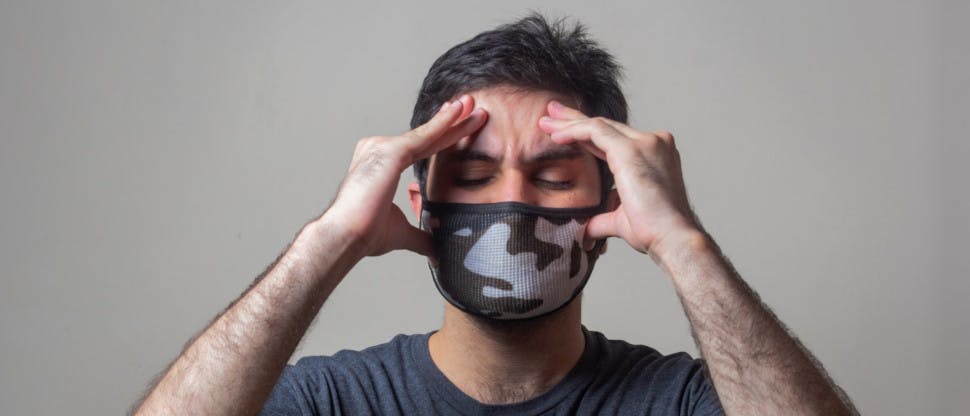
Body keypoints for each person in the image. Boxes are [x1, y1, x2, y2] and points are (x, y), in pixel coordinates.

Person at [131, 14, 858, 416]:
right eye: (474, 175)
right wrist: (329, 240)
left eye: (551, 175)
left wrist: (684, 243)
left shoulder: (679, 401)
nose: (511, 203)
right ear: (422, 205)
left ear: (610, 204)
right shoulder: (333, 401)